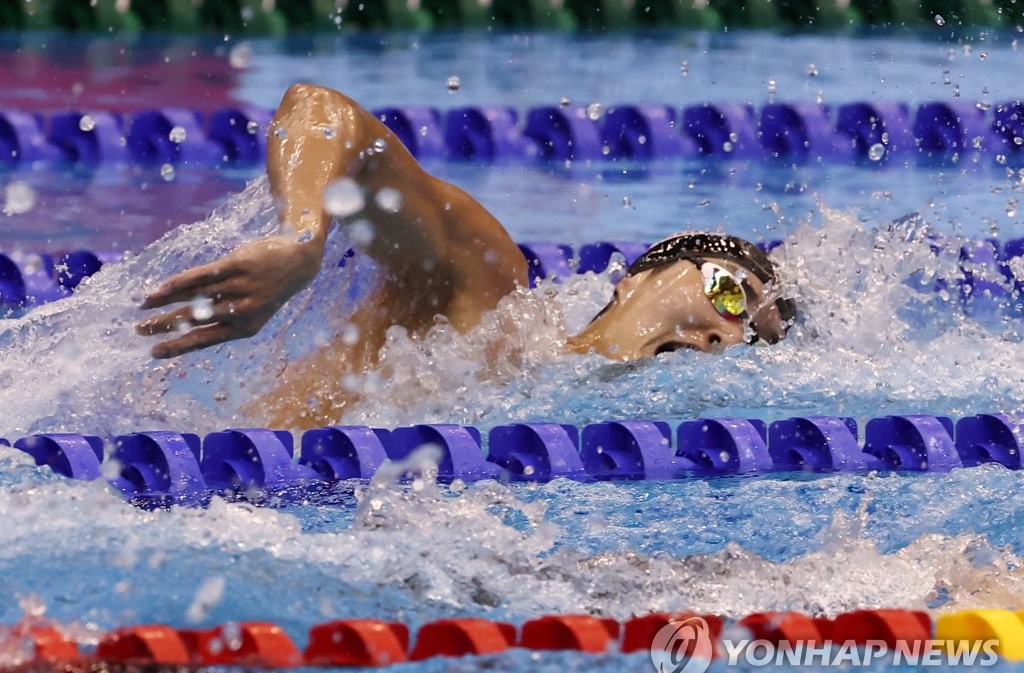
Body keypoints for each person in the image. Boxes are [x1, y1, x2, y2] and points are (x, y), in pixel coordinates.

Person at [137, 84, 796, 426]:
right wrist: (304, 237)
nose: (726, 335)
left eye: (753, 341)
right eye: (729, 292)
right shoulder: (486, 300)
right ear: (633, 280)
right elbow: (323, 110)